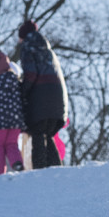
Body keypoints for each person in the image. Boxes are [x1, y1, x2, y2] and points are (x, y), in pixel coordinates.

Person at [18, 20, 68, 170]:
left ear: (23, 36)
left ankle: (39, 173)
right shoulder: (49, 51)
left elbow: (31, 74)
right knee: (48, 135)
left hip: (40, 100)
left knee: (38, 134)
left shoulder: (28, 48)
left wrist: (22, 91)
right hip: (58, 101)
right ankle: (57, 171)